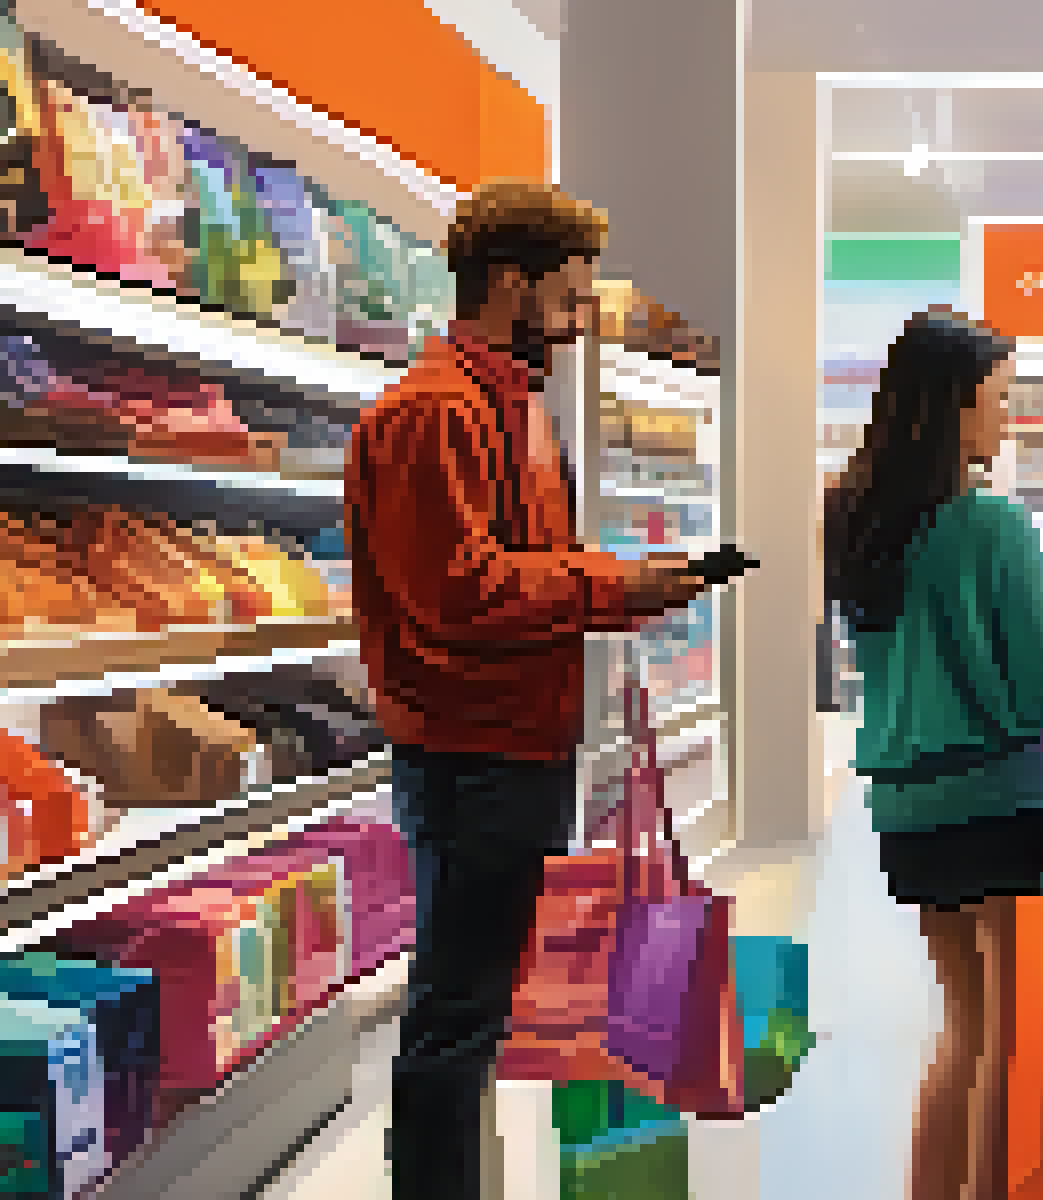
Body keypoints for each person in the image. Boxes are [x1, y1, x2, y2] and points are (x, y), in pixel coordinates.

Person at [350, 180, 719, 1199]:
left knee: (471, 1010)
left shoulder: (511, 408)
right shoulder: (432, 415)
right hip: (474, 757)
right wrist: (613, 584)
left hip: (516, 745)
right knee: (453, 1018)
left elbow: (526, 568)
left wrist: (622, 589)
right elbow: (459, 595)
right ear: (508, 285)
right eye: (566, 297)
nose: (575, 321)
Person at [827, 308, 1043, 1200]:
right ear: (954, 406)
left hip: (905, 804)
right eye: (999, 399)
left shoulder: (856, 518)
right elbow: (1038, 683)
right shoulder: (993, 525)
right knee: (1008, 1039)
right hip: (998, 800)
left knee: (965, 1026)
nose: (1007, 418)